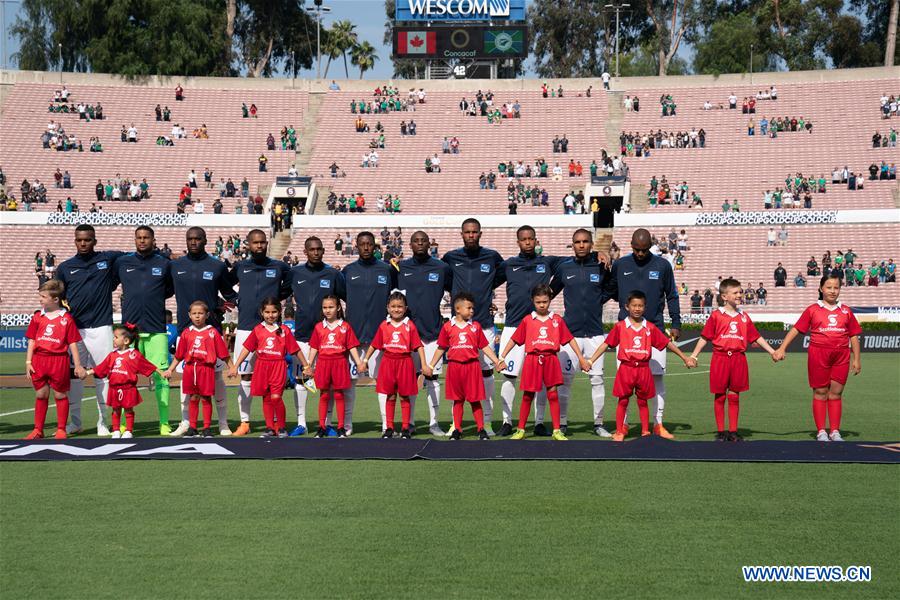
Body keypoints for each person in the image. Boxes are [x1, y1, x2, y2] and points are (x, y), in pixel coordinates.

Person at [588, 291, 696, 441]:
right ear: (627, 307)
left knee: (642, 400)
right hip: (626, 369)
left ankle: (645, 431)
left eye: (640, 305)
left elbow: (667, 343)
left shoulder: (650, 328)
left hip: (644, 369)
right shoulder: (620, 326)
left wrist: (685, 358)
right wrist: (591, 360)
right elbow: (606, 345)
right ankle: (619, 431)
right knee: (623, 400)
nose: (637, 308)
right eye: (634, 305)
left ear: (645, 307)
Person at [605, 228, 681, 438]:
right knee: (625, 386)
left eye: (644, 249)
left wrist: (676, 322)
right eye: (637, 249)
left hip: (654, 329)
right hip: (626, 332)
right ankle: (625, 425)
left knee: (657, 380)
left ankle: (658, 424)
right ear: (631, 245)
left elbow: (672, 295)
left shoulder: (662, 265)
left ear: (650, 246)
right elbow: (609, 290)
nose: (640, 253)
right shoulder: (621, 264)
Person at [688, 279, 780, 441]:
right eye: (735, 292)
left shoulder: (744, 317)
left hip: (738, 359)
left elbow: (756, 337)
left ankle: (733, 431)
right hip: (720, 358)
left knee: (734, 395)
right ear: (724, 296)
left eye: (740, 292)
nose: (739, 295)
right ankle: (721, 432)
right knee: (720, 395)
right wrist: (694, 356)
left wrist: (772, 352)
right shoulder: (716, 315)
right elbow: (705, 337)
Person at [773, 274, 862, 442]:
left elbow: (854, 336)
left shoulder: (846, 310)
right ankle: (821, 431)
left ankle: (835, 431)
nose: (832, 291)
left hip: (841, 355)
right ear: (821, 289)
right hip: (818, 354)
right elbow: (796, 330)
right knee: (820, 392)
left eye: (836, 288)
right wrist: (782, 348)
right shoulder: (812, 309)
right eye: (829, 287)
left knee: (836, 393)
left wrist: (856, 359)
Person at [55, 225, 125, 435]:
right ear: (75, 241)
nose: (83, 243)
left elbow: (135, 256)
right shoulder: (66, 267)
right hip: (75, 329)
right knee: (75, 376)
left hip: (102, 327)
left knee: (102, 375)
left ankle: (103, 422)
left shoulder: (108, 259)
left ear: (94, 240)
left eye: (87, 240)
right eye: (79, 240)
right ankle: (75, 422)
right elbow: (57, 297)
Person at [493, 226, 563, 436]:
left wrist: (597, 253)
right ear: (518, 242)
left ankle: (539, 422)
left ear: (536, 240)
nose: (528, 242)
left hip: (540, 327)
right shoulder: (508, 264)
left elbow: (572, 263)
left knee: (541, 380)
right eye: (524, 239)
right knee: (509, 376)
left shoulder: (547, 262)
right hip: (514, 326)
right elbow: (487, 284)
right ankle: (507, 421)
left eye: (531, 239)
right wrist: (487, 303)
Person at [499, 284, 591, 441]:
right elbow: (514, 339)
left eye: (545, 301)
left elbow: (569, 339)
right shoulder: (528, 320)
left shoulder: (557, 320)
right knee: (528, 395)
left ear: (550, 301)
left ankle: (556, 430)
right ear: (532, 301)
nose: (542, 305)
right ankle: (520, 429)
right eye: (538, 302)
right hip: (532, 360)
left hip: (551, 360)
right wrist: (502, 357)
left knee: (553, 394)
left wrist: (581, 358)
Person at [168, 227, 237, 437]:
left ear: (205, 240)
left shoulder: (216, 266)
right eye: (190, 239)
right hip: (184, 331)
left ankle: (223, 423)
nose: (194, 242)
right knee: (186, 381)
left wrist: (222, 305)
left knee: (216, 379)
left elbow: (228, 294)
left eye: (198, 238)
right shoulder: (175, 266)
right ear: (186, 241)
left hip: (210, 331)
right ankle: (186, 422)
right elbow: (163, 290)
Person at [442, 219, 504, 435]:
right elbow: (445, 280)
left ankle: (486, 421)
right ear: (461, 234)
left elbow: (500, 277)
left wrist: (486, 296)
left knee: (486, 372)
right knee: (456, 374)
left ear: (480, 233)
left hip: (483, 324)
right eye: (467, 232)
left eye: (474, 232)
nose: (471, 235)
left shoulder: (492, 256)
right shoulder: (451, 257)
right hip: (457, 327)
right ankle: (455, 423)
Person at [550, 229, 613, 436]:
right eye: (578, 242)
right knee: (565, 381)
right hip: (571, 336)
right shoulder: (564, 268)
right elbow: (549, 293)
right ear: (573, 244)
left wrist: (597, 300)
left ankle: (598, 424)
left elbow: (612, 288)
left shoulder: (600, 265)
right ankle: (562, 423)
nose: (582, 245)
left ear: (592, 243)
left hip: (595, 334)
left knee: (597, 380)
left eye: (586, 241)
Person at [230, 230, 292, 436]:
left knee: (273, 379)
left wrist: (275, 297)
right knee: (246, 376)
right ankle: (245, 422)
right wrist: (234, 299)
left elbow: (290, 285)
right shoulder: (240, 266)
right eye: (255, 243)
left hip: (273, 330)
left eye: (262, 242)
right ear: (248, 244)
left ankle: (274, 423)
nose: (259, 246)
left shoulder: (279, 266)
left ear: (266, 244)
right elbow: (224, 284)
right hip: (247, 327)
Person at [114, 226, 174, 434]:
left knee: (161, 377)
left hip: (156, 328)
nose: (142, 241)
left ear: (153, 239)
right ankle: (123, 424)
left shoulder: (164, 264)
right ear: (134, 239)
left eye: (146, 237)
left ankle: (164, 422)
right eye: (139, 237)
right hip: (130, 331)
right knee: (124, 378)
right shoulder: (123, 263)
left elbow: (169, 289)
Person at [425, 292, 503, 440]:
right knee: (458, 400)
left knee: (475, 400)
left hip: (472, 367)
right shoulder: (448, 327)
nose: (472, 311)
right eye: (469, 308)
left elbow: (485, 347)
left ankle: (481, 429)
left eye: (473, 308)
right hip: (454, 368)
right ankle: (457, 429)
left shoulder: (476, 326)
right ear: (458, 309)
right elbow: (441, 348)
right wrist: (430, 365)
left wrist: (497, 361)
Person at [288, 236, 345, 436]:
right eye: (311, 249)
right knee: (301, 380)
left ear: (323, 250)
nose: (315, 252)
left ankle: (327, 424)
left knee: (327, 384)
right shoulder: (294, 273)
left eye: (319, 249)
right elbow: (279, 294)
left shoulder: (332, 274)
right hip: (303, 336)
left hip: (329, 338)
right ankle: (301, 423)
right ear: (305, 252)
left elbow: (343, 299)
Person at [342, 231, 397, 434]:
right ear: (356, 246)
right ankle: (346, 425)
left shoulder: (387, 270)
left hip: (380, 338)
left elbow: (397, 298)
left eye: (369, 244)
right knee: (348, 383)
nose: (366, 247)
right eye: (362, 244)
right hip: (353, 338)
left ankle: (387, 425)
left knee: (384, 384)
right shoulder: (347, 271)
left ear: (375, 246)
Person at [399, 231, 452, 436]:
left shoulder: (441, 268)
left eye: (423, 241)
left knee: (433, 379)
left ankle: (433, 423)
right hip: (408, 334)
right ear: (410, 244)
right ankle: (409, 423)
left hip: (433, 332)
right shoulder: (400, 267)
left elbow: (454, 290)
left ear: (429, 244)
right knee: (409, 381)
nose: (420, 244)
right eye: (416, 241)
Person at [230, 298, 308, 438]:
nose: (270, 315)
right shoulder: (258, 329)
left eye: (274, 312)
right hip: (262, 366)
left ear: (279, 312)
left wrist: (306, 365)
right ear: (262, 312)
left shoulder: (284, 330)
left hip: (278, 366)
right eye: (267, 312)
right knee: (266, 398)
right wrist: (235, 366)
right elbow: (247, 349)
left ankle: (282, 428)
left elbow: (295, 350)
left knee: (276, 397)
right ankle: (270, 428)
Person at [23, 280, 86, 439]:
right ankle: (38, 430)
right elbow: (32, 340)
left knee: (60, 395)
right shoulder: (37, 317)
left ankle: (61, 430)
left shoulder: (66, 318)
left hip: (59, 361)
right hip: (39, 360)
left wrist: (77, 365)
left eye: (44, 297)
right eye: (40, 296)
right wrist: (28, 362)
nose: (40, 299)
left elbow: (72, 343)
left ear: (56, 299)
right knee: (41, 394)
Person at [360, 292, 427, 439]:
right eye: (393, 306)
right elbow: (374, 345)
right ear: (388, 308)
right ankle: (389, 428)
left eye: (400, 306)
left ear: (405, 308)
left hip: (405, 363)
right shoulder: (384, 325)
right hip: (388, 362)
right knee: (390, 396)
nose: (396, 309)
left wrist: (424, 364)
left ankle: (405, 428)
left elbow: (419, 346)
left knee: (404, 396)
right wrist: (364, 361)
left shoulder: (410, 325)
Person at [165, 301, 233, 437]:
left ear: (207, 315)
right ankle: (193, 427)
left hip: (206, 369)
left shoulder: (212, 332)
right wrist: (170, 369)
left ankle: (207, 428)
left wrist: (232, 367)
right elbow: (179, 355)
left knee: (206, 398)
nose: (197, 316)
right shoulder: (186, 333)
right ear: (189, 315)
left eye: (200, 313)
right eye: (194, 313)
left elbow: (223, 353)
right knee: (193, 398)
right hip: (190, 369)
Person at [88, 323, 164, 439]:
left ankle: (129, 431)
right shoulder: (112, 355)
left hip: (128, 388)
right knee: (115, 410)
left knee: (128, 410)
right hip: (114, 388)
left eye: (116, 337)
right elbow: (101, 367)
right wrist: (88, 372)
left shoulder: (134, 355)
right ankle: (116, 430)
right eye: (114, 337)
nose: (114, 339)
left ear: (126, 340)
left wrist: (161, 373)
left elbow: (149, 365)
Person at [304, 296, 364, 438]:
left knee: (339, 394)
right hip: (323, 363)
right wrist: (309, 365)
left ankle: (341, 427)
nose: (327, 310)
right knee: (324, 394)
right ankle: (322, 427)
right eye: (325, 308)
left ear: (338, 308)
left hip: (340, 363)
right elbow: (314, 347)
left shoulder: (345, 326)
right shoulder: (319, 327)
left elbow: (352, 347)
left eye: (330, 307)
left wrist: (359, 362)